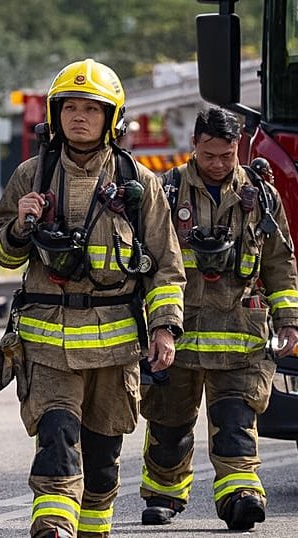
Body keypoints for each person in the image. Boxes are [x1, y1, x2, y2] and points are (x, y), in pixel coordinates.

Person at [0, 58, 186, 538]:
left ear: (111, 118)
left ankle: (92, 527)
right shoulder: (30, 176)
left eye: (91, 109)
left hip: (115, 352)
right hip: (48, 346)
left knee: (101, 453)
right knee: (56, 436)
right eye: (69, 107)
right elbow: (1, 254)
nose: (78, 116)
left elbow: (166, 267)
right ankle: (53, 523)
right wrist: (18, 226)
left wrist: (164, 328)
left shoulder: (141, 186)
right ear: (55, 115)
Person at [139, 106, 298, 531]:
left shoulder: (261, 196)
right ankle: (164, 495)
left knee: (236, 423)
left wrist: (288, 320)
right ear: (195, 145)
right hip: (179, 335)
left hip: (240, 336)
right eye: (209, 154)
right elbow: (148, 262)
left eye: (227, 155)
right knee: (169, 427)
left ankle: (240, 495)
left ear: (238, 147)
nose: (218, 164)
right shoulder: (166, 191)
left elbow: (280, 262)